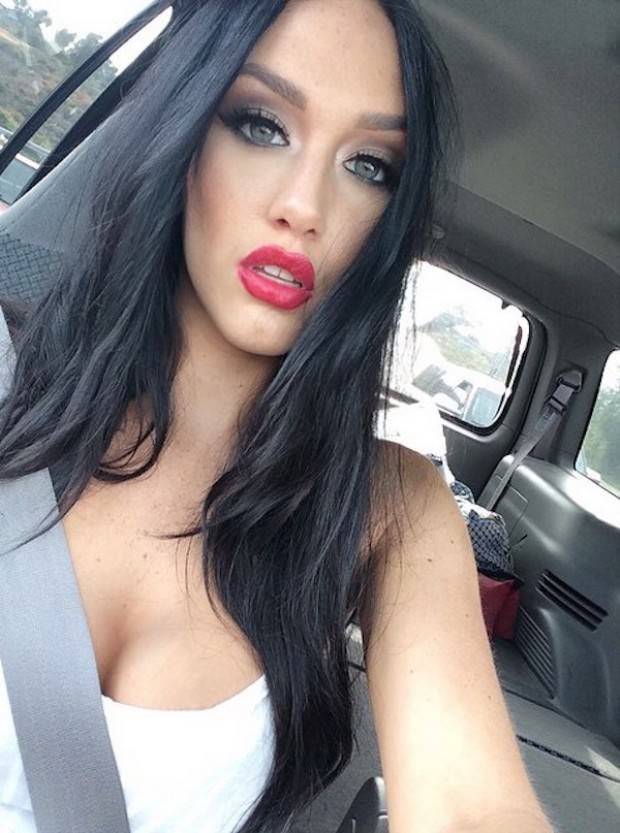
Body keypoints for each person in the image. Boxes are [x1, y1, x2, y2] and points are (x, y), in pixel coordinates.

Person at [0, 1, 555, 832]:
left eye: (369, 165)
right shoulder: (10, 375)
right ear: (184, 133)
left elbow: (471, 809)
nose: (305, 205)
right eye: (261, 125)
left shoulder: (389, 508)